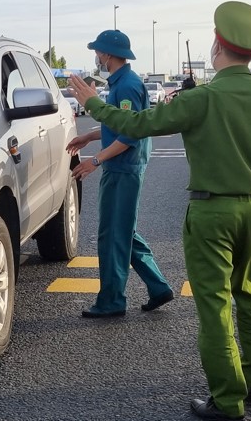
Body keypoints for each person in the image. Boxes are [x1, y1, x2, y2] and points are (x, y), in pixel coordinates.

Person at [68, 2, 251, 421]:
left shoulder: (202, 99)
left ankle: (227, 400)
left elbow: (137, 127)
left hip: (213, 211)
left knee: (214, 304)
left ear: (217, 46)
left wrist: (92, 104)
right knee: (250, 294)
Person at [66, 29, 174, 319]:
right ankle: (158, 286)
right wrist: (89, 137)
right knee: (124, 229)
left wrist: (95, 161)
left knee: (113, 234)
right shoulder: (122, 83)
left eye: (98, 52)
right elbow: (117, 124)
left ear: (108, 54)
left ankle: (112, 301)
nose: (97, 56)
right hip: (123, 166)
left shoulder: (126, 86)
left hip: (122, 167)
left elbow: (129, 135)